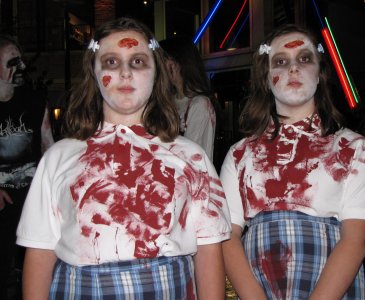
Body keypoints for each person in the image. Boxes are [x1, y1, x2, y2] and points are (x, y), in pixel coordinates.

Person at [16, 17, 231, 299]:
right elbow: (40, 251)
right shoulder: (60, 157)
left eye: (138, 61)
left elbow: (209, 251)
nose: (125, 73)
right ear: (94, 73)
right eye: (112, 62)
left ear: (157, 73)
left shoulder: (191, 157)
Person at [220, 24, 365, 300]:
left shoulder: (354, 149)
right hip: (259, 286)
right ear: (266, 77)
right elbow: (227, 237)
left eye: (304, 59)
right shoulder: (240, 154)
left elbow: (357, 239)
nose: (293, 69)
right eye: (280, 62)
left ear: (320, 73)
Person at [0, 34, 54, 299]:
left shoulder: (33, 100)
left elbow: (48, 148)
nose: (20, 68)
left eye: (21, 61)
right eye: (12, 62)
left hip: (30, 199)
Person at [159, 37, 216, 161]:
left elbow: (188, 155)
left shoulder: (200, 104)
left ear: (174, 64)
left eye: (161, 60)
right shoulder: (168, 102)